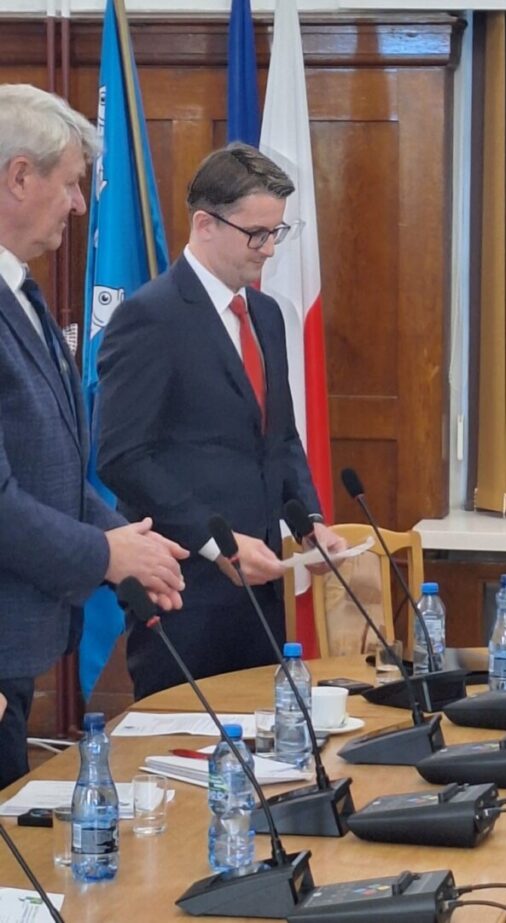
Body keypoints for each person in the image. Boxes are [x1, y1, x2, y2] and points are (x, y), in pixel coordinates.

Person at [96, 143, 344, 700]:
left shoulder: (267, 314)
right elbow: (121, 457)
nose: (270, 249)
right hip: (186, 590)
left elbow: (279, 438)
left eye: (277, 232)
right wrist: (217, 543)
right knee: (184, 741)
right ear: (205, 224)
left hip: (261, 590)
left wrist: (310, 523)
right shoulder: (149, 317)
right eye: (257, 234)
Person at [0, 84, 186, 788]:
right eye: (72, 183)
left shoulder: (21, 290)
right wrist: (106, 553)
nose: (80, 205)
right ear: (20, 176)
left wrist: (128, 544)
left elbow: (50, 467)